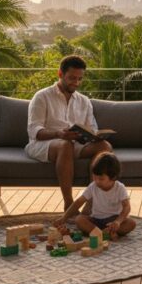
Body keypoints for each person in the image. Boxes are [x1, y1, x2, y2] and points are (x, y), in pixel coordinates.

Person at [27, 55, 113, 211]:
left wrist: (93, 136)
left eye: (80, 79)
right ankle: (69, 204)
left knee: (105, 146)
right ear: (60, 74)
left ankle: (91, 204)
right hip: (43, 144)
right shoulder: (42, 96)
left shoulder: (84, 101)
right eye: (72, 78)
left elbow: (91, 127)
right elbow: (34, 130)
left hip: (75, 144)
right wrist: (58, 134)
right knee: (65, 145)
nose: (76, 83)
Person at [55, 151, 136, 239]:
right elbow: (78, 202)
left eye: (101, 179)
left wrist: (118, 222)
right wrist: (64, 218)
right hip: (96, 220)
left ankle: (102, 232)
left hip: (113, 221)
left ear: (113, 177)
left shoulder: (120, 188)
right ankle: (103, 233)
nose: (97, 181)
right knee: (79, 219)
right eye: (94, 177)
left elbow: (127, 207)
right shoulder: (93, 186)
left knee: (131, 223)